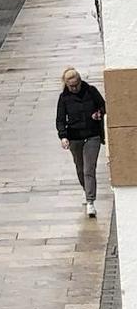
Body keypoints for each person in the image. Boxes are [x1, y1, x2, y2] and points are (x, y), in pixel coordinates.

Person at [56, 67, 106, 218]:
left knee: (89, 169)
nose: (75, 88)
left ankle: (90, 201)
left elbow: (103, 105)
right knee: (80, 168)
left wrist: (99, 113)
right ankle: (86, 190)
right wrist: (63, 136)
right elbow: (60, 119)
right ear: (66, 84)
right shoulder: (64, 98)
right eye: (71, 86)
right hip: (74, 137)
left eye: (77, 84)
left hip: (92, 135)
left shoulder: (91, 91)